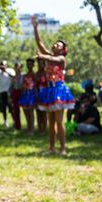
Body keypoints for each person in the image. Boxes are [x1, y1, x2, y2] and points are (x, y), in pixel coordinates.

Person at [32, 14, 74, 154]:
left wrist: (42, 56)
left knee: (59, 121)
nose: (55, 44)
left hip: (59, 90)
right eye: (56, 43)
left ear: (62, 50)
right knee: (51, 122)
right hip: (49, 90)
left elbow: (49, 57)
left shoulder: (61, 59)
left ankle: (62, 148)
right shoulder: (50, 56)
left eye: (59, 44)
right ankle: (51, 148)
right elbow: (39, 43)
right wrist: (35, 28)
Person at [0, 61, 14, 127]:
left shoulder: (10, 70)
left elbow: (14, 77)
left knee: (11, 108)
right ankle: (5, 121)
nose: (2, 67)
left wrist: (5, 71)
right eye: (1, 65)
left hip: (9, 92)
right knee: (3, 108)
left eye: (4, 65)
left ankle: (14, 121)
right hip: (1, 92)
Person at [19, 58, 37, 133]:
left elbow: (35, 86)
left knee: (30, 112)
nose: (29, 65)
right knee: (25, 111)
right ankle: (28, 126)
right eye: (28, 64)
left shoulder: (34, 75)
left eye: (30, 64)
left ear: (33, 65)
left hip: (31, 94)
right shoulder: (25, 75)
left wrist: (36, 96)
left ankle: (32, 128)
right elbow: (22, 85)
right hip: (25, 94)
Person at [35, 58, 48, 133]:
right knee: (38, 111)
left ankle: (44, 128)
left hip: (45, 94)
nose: (40, 65)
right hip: (38, 93)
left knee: (44, 113)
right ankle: (39, 128)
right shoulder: (37, 74)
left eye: (42, 63)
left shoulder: (46, 73)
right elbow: (36, 85)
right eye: (39, 64)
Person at [9, 61, 24, 130]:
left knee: (26, 109)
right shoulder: (13, 77)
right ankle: (18, 125)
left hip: (23, 92)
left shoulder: (23, 76)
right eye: (16, 67)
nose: (17, 68)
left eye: (19, 67)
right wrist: (10, 96)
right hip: (15, 92)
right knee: (15, 110)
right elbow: (11, 86)